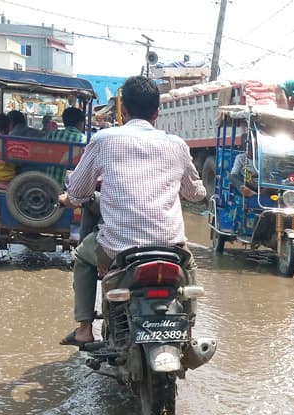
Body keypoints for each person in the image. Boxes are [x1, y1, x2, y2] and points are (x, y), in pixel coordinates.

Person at [59, 75, 206, 347]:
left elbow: (78, 193)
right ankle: (189, 333)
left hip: (118, 249)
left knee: (82, 256)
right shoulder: (177, 145)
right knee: (190, 264)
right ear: (157, 112)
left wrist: (67, 199)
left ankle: (83, 329)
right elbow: (195, 193)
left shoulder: (104, 139)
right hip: (170, 248)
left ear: (123, 109)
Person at [45, 107, 86, 189]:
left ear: (64, 122)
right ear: (80, 123)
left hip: (49, 186)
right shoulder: (84, 140)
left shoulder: (52, 135)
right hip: (68, 190)